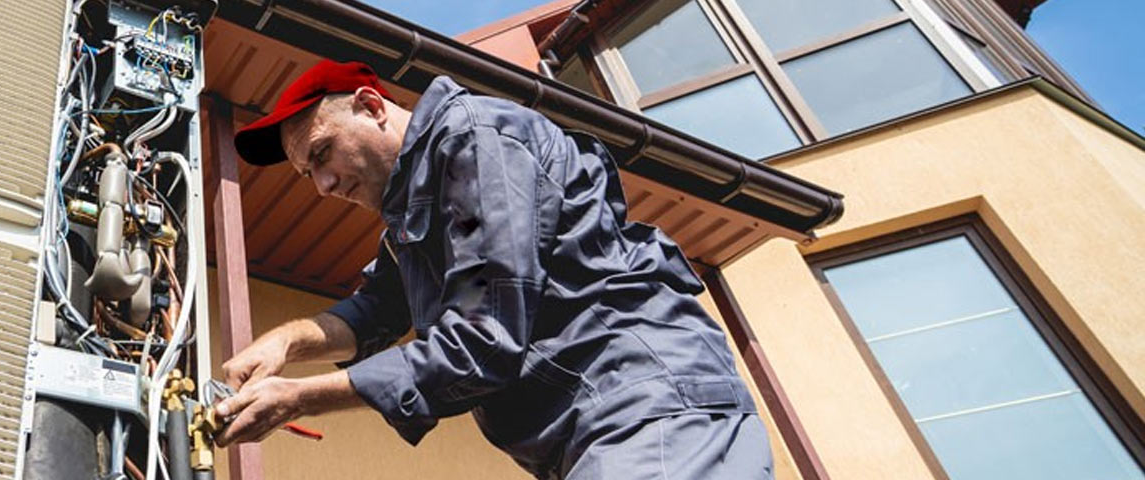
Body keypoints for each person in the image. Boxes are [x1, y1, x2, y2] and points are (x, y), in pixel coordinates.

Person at [211, 59, 772, 479]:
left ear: (371, 106)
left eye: (322, 154)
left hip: (650, 412)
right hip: (593, 437)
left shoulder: (477, 142)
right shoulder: (415, 214)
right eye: (308, 175)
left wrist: (302, 397)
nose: (325, 186)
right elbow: (374, 311)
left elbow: (485, 338)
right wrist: (283, 345)